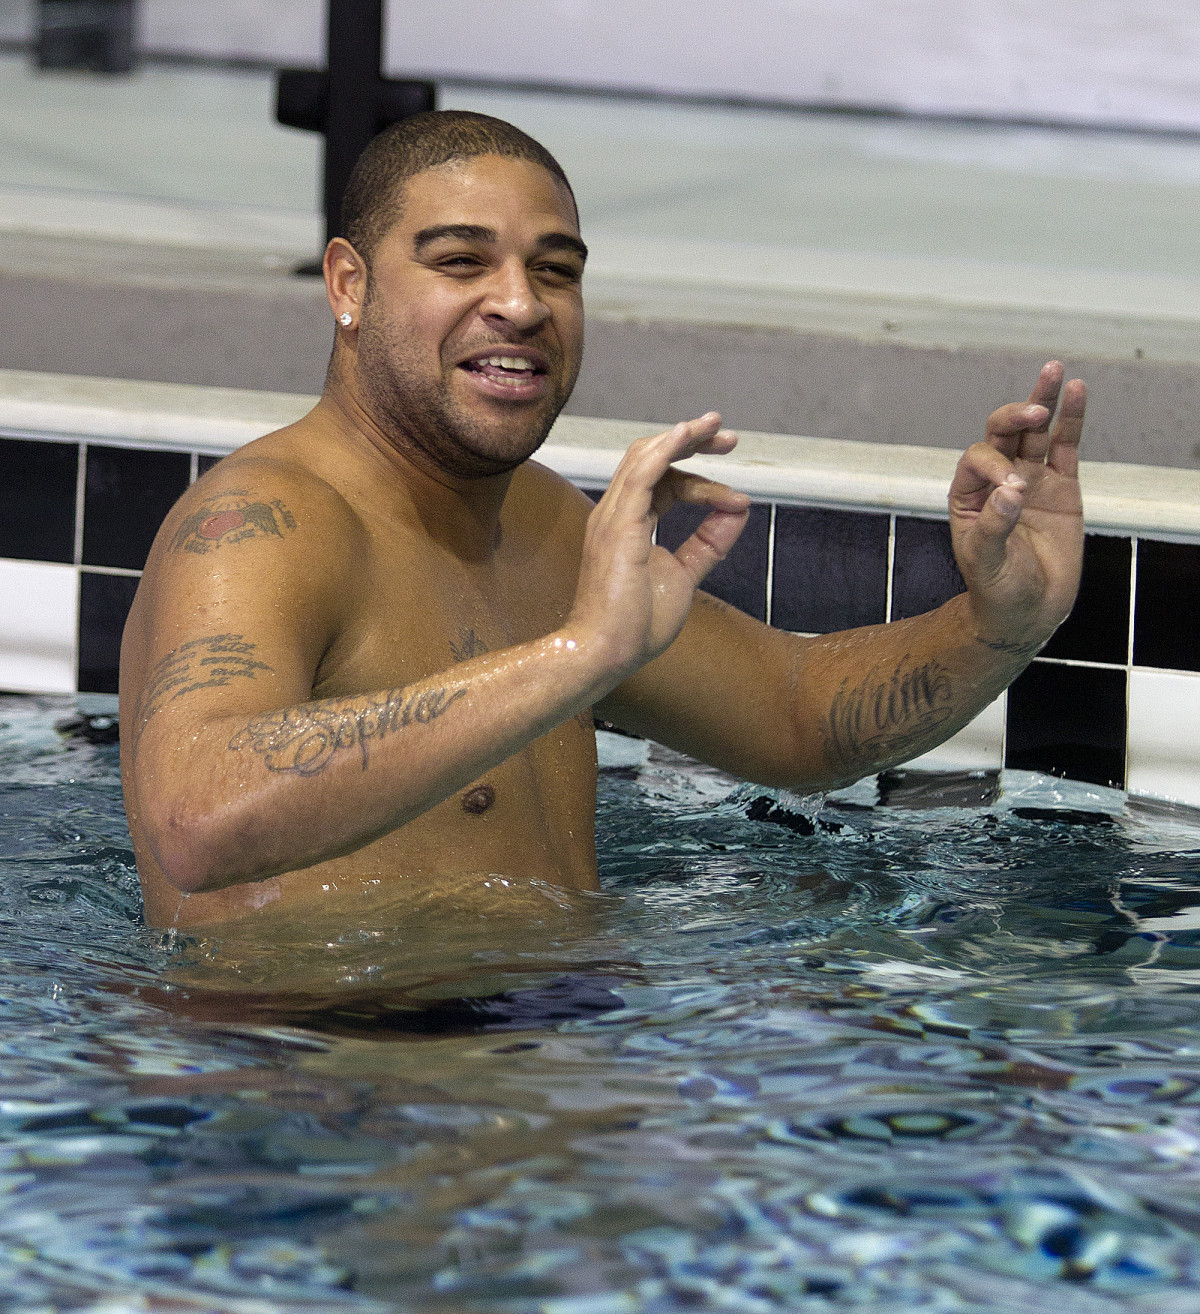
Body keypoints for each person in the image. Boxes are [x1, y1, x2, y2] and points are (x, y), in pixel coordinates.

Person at [119, 111, 1087, 932]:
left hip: (543, 1058)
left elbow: (797, 715)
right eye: (461, 261)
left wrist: (1004, 622)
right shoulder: (266, 522)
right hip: (330, 1093)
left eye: (556, 270)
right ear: (349, 286)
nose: (520, 303)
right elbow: (196, 819)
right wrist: (581, 654)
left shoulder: (539, 523)